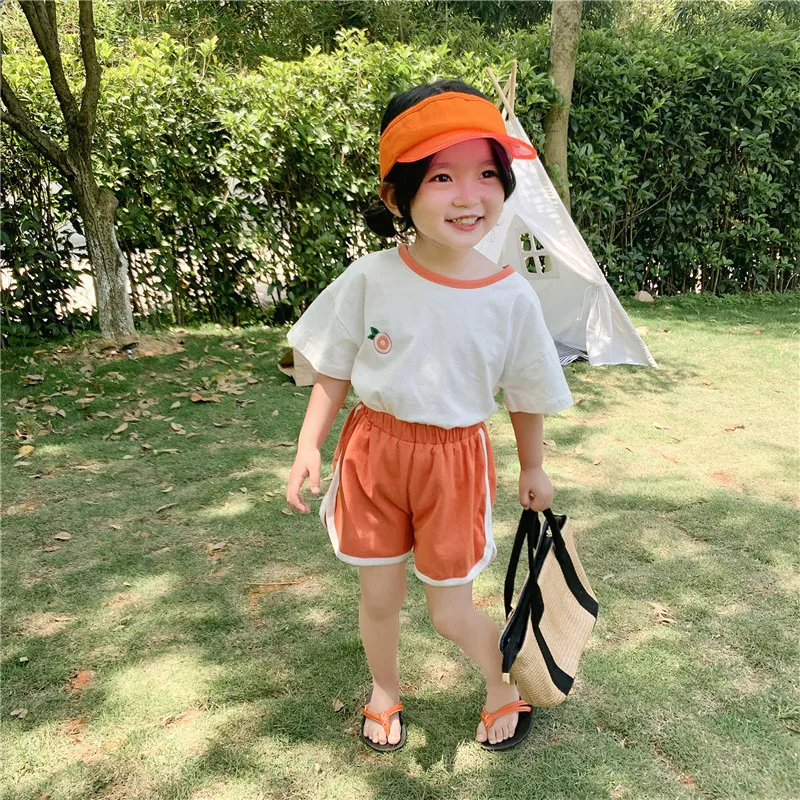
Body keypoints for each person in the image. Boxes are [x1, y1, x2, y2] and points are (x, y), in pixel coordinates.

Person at [285, 79, 573, 752]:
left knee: (449, 611)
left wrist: (533, 466)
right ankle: (384, 692)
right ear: (398, 196)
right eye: (442, 176)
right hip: (374, 453)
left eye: (485, 174)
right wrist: (307, 445)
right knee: (379, 598)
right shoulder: (369, 277)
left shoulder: (510, 297)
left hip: (454, 464)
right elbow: (334, 365)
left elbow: (525, 389)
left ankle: (501, 685)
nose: (468, 195)